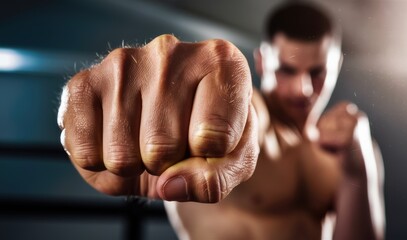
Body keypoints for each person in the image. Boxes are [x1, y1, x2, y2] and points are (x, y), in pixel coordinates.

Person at [58, 2, 385, 239]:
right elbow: (249, 126)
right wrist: (209, 109)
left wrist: (360, 174)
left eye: (316, 73)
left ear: (337, 66)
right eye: (286, 70)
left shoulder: (348, 149)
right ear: (261, 61)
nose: (302, 88)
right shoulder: (255, 116)